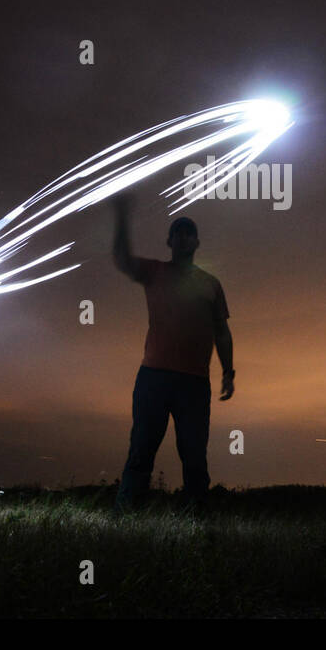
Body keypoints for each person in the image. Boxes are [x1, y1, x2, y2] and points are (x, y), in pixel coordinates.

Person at [111, 193, 234, 514]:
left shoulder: (210, 284)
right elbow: (123, 259)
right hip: (153, 376)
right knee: (141, 449)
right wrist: (122, 216)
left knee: (194, 454)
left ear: (196, 242)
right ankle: (126, 515)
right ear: (169, 241)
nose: (182, 236)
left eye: (187, 231)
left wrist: (228, 372)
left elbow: (222, 331)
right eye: (177, 232)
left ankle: (196, 516)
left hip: (194, 382)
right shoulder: (155, 272)